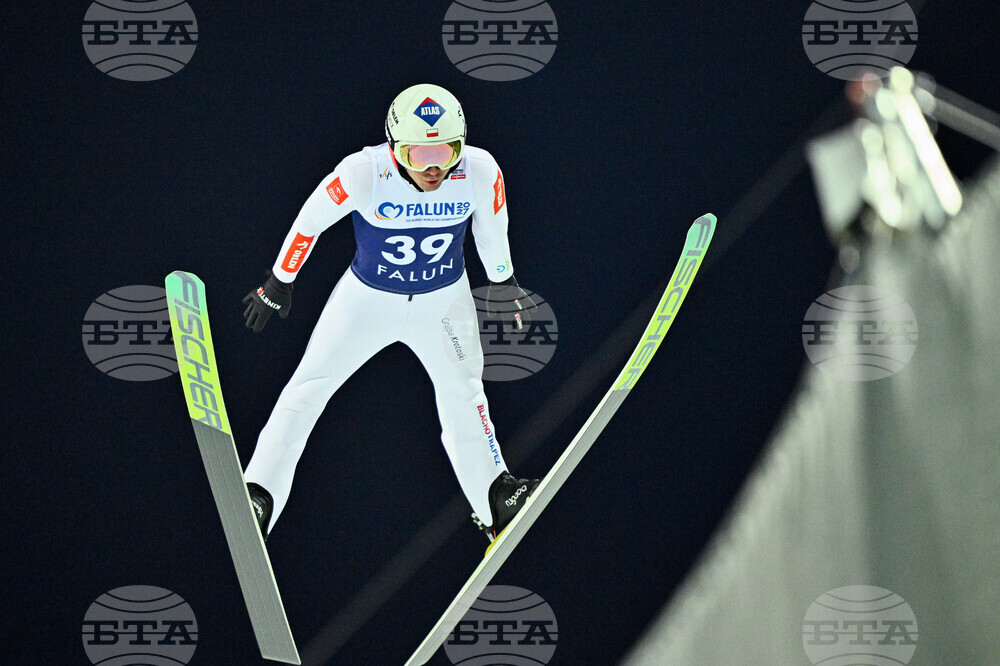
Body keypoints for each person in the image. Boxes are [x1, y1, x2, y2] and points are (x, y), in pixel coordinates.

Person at [240, 83, 539, 544]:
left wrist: (502, 280)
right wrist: (279, 280)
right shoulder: (364, 172)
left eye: (447, 151)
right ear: (394, 148)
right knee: (307, 389)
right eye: (420, 155)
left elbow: (492, 225)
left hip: (443, 303)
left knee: (464, 393)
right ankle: (259, 493)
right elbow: (310, 220)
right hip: (368, 302)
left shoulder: (479, 170)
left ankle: (495, 497)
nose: (435, 166)